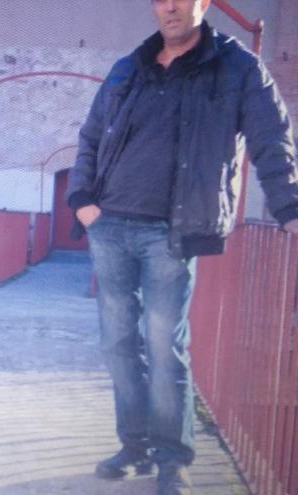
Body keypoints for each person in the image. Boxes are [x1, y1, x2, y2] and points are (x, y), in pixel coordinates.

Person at [66, 0, 298, 493]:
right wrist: (83, 200)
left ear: (203, 3)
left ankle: (174, 457)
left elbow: (272, 139)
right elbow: (90, 136)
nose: (170, 6)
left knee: (165, 347)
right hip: (110, 227)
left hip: (171, 234)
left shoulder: (238, 68)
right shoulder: (129, 66)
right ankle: (135, 447)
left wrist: (290, 208)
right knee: (118, 346)